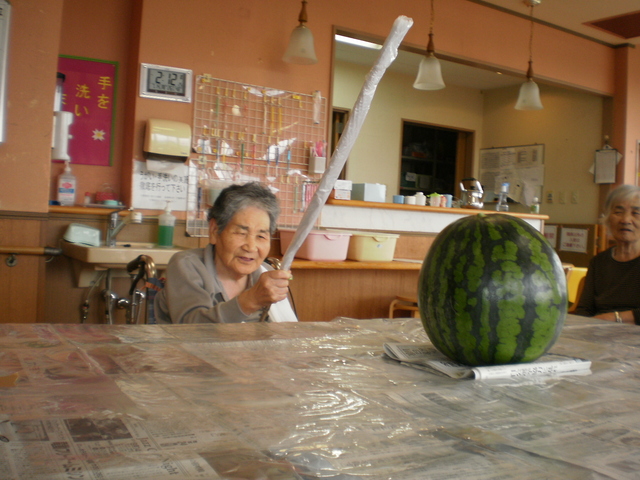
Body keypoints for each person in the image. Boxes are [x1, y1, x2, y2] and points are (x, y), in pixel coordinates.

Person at [154, 182, 297, 324]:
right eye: (241, 233)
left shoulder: (265, 276)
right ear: (215, 230)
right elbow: (192, 331)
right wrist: (251, 300)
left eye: (261, 236)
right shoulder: (187, 266)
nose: (251, 247)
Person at [574, 184, 640, 325]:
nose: (625, 220)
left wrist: (613, 318)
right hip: (599, 334)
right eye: (618, 212)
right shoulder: (598, 262)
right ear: (608, 218)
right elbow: (584, 309)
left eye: (636, 213)